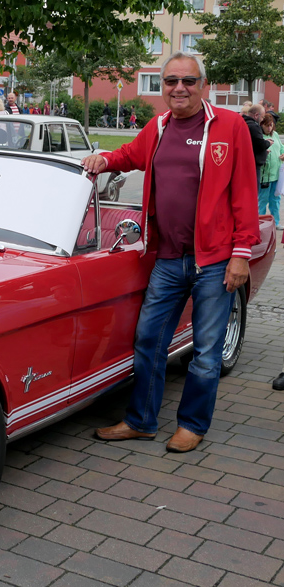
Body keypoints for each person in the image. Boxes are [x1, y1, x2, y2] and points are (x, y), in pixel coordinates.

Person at [82, 51, 260, 453]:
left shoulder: (229, 126)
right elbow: (130, 155)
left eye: (188, 81)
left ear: (203, 85)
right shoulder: (159, 125)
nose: (179, 88)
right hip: (168, 258)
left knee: (205, 350)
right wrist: (104, 159)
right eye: (171, 81)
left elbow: (246, 191)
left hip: (214, 260)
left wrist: (241, 253)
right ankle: (141, 420)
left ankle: (192, 424)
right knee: (148, 340)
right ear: (162, 87)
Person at [258, 113, 283, 229]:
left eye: (271, 125)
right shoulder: (260, 137)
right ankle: (260, 222)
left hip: (276, 174)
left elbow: (282, 148)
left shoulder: (276, 135)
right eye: (266, 125)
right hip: (265, 175)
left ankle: (275, 222)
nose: (269, 128)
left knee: (275, 200)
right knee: (262, 200)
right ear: (261, 125)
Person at [243, 103, 269, 188]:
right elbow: (259, 144)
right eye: (262, 117)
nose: (262, 120)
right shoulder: (254, 126)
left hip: (245, 162)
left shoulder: (243, 123)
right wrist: (268, 143)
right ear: (256, 115)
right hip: (253, 164)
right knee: (253, 190)